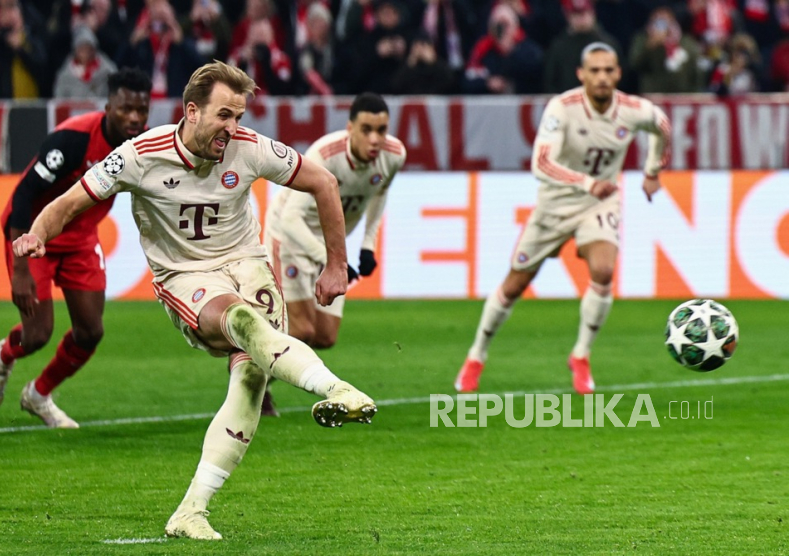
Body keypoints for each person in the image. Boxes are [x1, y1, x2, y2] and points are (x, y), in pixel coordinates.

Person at [11, 61, 377, 541]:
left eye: (239, 116)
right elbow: (67, 203)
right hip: (185, 276)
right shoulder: (139, 155)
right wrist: (36, 235)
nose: (233, 127)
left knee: (250, 377)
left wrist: (335, 264)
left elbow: (323, 182)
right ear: (191, 111)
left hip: (249, 263)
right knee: (241, 320)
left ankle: (191, 511)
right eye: (224, 115)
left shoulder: (249, 148)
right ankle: (337, 390)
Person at [454, 42, 671, 395]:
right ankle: (476, 356)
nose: (602, 77)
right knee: (514, 285)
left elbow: (661, 123)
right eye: (595, 71)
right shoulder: (563, 108)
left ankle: (581, 355)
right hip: (555, 205)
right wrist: (587, 182)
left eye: (608, 70)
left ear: (618, 73)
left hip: (598, 205)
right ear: (581, 74)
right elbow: (540, 164)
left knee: (603, 271)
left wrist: (653, 171)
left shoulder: (632, 109)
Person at [0, 68, 152, 428]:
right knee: (37, 335)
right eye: (125, 109)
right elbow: (23, 195)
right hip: (33, 236)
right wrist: (21, 267)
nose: (134, 118)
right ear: (108, 106)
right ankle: (4, 354)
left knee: (91, 332)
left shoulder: (143, 148)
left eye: (141, 110)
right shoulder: (72, 140)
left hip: (81, 239)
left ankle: (38, 395)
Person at [262, 92, 405, 414]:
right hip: (290, 237)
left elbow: (379, 193)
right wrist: (333, 261)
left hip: (330, 244)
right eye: (366, 129)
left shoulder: (394, 156)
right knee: (301, 330)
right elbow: (291, 219)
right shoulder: (325, 154)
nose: (375, 139)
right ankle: (252, 380)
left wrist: (368, 245)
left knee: (325, 336)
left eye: (381, 130)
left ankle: (259, 375)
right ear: (349, 127)